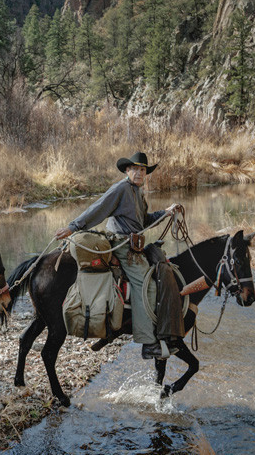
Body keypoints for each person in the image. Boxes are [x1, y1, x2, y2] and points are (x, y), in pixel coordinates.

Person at [55, 151, 183, 359]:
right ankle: (148, 343)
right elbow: (98, 209)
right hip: (122, 246)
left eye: (143, 170)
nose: (140, 173)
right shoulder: (121, 188)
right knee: (145, 285)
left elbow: (143, 221)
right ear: (127, 170)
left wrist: (166, 212)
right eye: (135, 169)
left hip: (134, 246)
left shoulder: (138, 192)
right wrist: (73, 227)